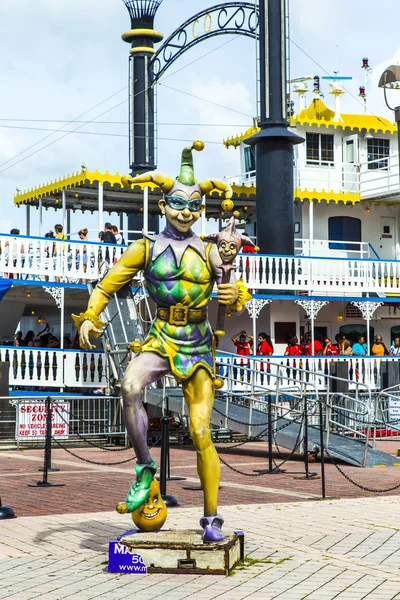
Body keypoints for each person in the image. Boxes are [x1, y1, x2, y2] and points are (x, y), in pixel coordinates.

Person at [72, 142, 250, 542]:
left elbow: (236, 290)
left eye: (193, 205)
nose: (185, 211)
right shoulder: (146, 248)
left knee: (201, 432)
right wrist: (89, 316)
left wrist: (233, 295)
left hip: (200, 342)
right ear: (163, 204)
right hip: (161, 335)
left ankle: (211, 520)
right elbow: (108, 283)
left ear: (201, 209)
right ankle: (144, 467)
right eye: (177, 203)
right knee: (130, 385)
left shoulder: (211, 251)